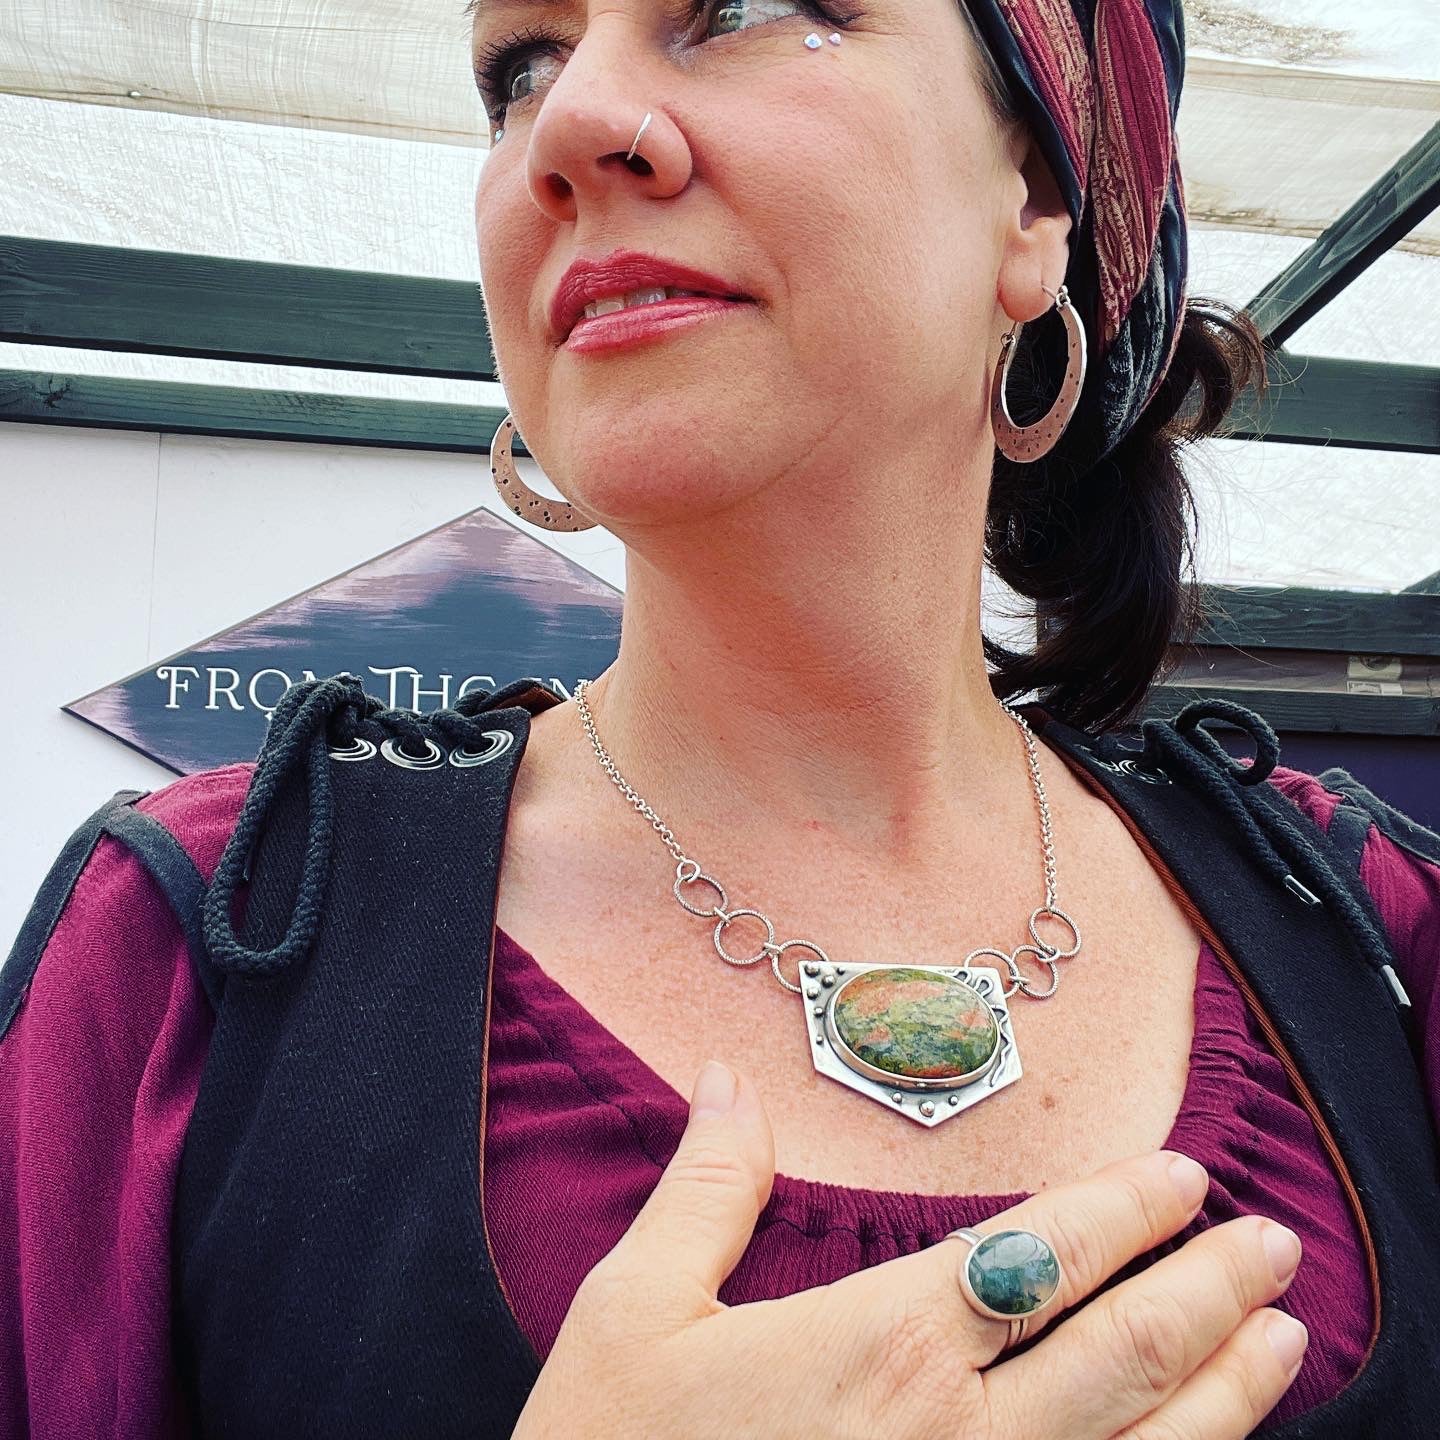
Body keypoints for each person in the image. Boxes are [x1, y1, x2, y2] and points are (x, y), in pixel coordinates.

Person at [3, 0, 1439, 1436]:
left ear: (1033, 208)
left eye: (741, 7)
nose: (569, 125)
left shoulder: (1366, 925)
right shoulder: (192, 943)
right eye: (520, 70)